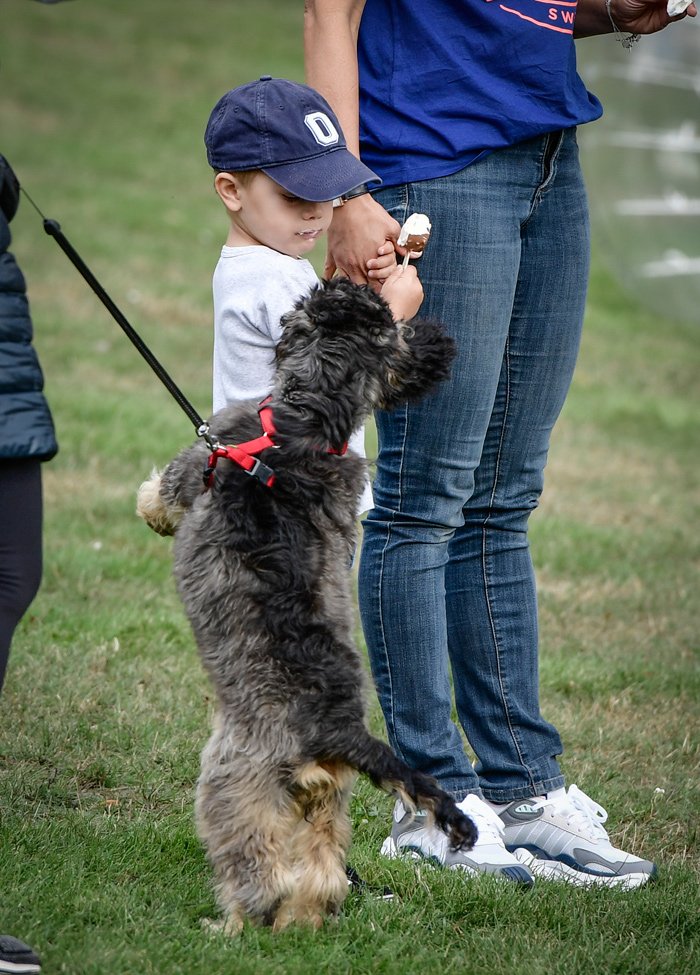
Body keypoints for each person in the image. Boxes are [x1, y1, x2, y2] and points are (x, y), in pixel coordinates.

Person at [304, 0, 696, 888]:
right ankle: (430, 802)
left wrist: (613, 12)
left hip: (549, 151)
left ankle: (522, 789)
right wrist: (349, 190)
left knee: (504, 496)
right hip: (434, 164)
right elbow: (331, 8)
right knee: (426, 496)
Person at [203, 75, 423, 895]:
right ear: (231, 190)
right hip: (288, 519)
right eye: (296, 194)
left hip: (287, 512)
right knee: (285, 700)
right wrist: (392, 313)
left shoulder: (263, 270)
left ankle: (313, 856)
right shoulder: (274, 281)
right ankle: (269, 866)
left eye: (329, 195)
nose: (317, 214)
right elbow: (331, 385)